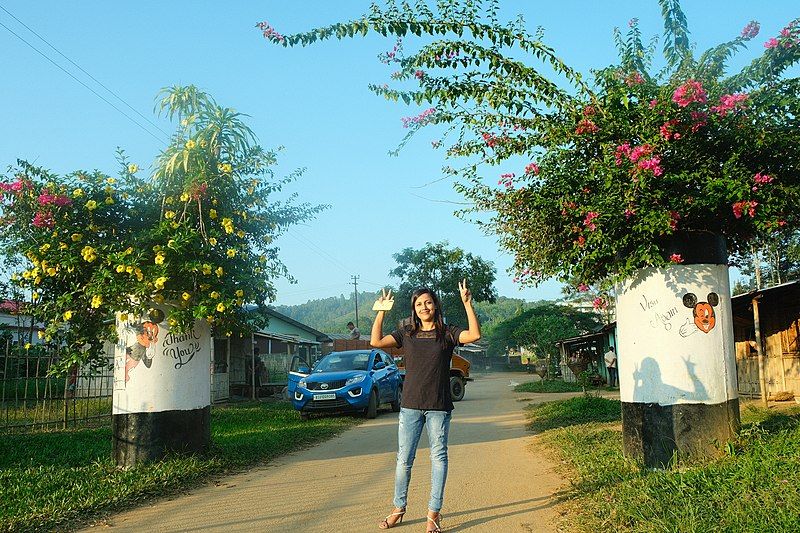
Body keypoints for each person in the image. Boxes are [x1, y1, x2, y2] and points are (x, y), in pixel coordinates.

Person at [371, 281, 481, 533]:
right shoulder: (406, 333)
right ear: (414, 308)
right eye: (419, 304)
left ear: (435, 305)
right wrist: (381, 311)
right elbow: (376, 342)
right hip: (410, 405)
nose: (424, 307)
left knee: (438, 458)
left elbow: (474, 335)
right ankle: (398, 509)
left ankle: (433, 514)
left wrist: (467, 303)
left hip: (438, 406)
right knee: (403, 460)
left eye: (428, 302)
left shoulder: (447, 332)